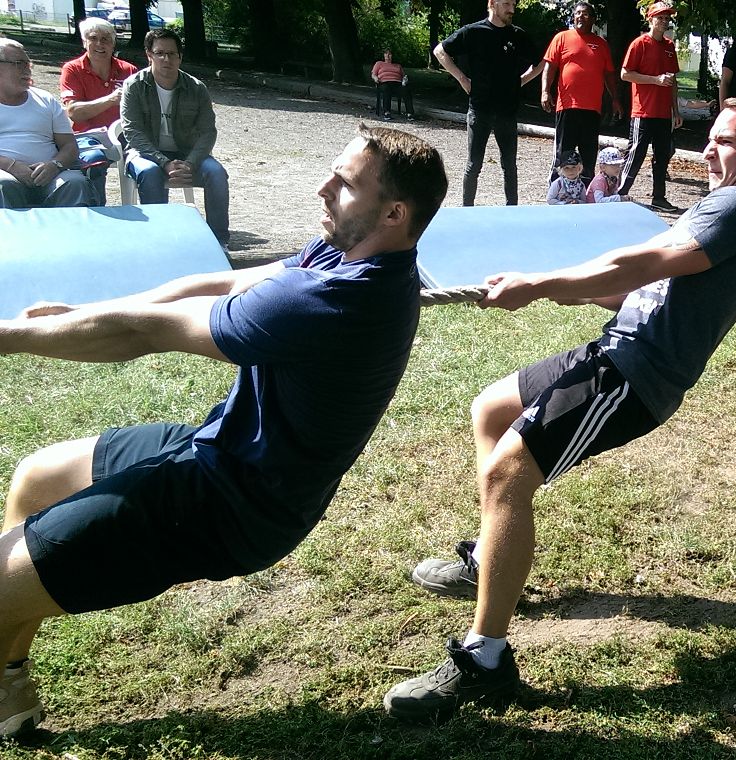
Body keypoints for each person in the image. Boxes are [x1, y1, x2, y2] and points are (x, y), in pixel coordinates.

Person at [0, 125, 448, 738]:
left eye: (344, 184)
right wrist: (80, 312)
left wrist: (8, 337)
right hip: (215, 448)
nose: (322, 188)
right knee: (39, 479)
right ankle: (9, 680)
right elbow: (221, 283)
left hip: (233, 505)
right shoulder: (343, 250)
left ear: (394, 214)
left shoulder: (341, 298)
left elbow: (142, 333)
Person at [382, 97, 736, 724]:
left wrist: (542, 283)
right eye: (710, 137)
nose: (708, 150)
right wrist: (569, 291)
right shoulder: (720, 206)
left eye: (726, 141)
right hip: (613, 349)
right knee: (491, 411)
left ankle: (485, 659)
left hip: (635, 376)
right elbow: (638, 287)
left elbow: (645, 262)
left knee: (508, 472)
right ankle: (491, 557)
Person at [120, 28, 231, 245]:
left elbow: (208, 131)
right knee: (150, 172)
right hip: (145, 154)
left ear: (180, 57)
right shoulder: (134, 86)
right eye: (160, 53)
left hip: (186, 155)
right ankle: (158, 241)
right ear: (149, 55)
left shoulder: (196, 88)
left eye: (172, 54)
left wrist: (190, 163)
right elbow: (132, 131)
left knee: (217, 173)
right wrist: (164, 162)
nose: (166, 59)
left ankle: (219, 242)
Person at [435, 0, 542, 207]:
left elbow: (541, 62)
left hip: (507, 111)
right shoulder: (473, 31)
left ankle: (512, 210)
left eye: (514, 4)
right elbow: (440, 51)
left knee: (509, 165)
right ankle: (467, 210)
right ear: (492, 4)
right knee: (474, 165)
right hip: (479, 109)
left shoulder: (518, 35)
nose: (512, 9)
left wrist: (521, 81)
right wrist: (462, 79)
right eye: (507, 4)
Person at [0, 38, 95, 209]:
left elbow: (69, 146)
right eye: (19, 64)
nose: (27, 70)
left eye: (29, 64)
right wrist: (11, 166)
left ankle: (72, 228)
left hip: (51, 176)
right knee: (3, 184)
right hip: (5, 174)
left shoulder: (45, 100)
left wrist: (54, 165)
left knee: (75, 183)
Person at [58, 17, 138, 205]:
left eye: (106, 39)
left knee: (147, 162)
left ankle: (145, 210)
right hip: (88, 135)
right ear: (84, 42)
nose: (100, 44)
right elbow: (74, 112)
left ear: (113, 43)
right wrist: (111, 100)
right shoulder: (72, 69)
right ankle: (98, 209)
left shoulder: (129, 70)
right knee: (94, 160)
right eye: (93, 38)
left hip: (125, 134)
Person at [541, 1, 622, 184]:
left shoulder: (601, 44)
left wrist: (615, 99)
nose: (580, 17)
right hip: (567, 106)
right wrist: (545, 91)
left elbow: (609, 75)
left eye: (585, 14)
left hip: (592, 109)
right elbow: (550, 67)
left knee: (588, 153)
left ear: (593, 19)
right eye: (577, 13)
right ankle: (558, 188)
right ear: (573, 17)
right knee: (564, 152)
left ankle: (587, 190)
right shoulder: (561, 38)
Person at [616, 1, 682, 212]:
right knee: (636, 153)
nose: (664, 22)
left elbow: (673, 81)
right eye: (660, 18)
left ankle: (659, 198)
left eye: (667, 18)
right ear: (650, 19)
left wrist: (676, 111)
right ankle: (619, 193)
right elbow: (625, 74)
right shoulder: (639, 44)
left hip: (664, 114)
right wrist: (655, 80)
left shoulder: (670, 46)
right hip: (643, 111)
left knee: (662, 156)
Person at [371, 49, 415, 120]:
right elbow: (373, 74)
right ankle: (387, 112)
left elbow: (404, 76)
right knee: (386, 89)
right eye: (386, 53)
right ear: (384, 55)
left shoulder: (398, 66)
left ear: (392, 56)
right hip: (384, 82)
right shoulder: (379, 63)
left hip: (397, 83)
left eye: (389, 54)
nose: (387, 55)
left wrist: (405, 80)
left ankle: (410, 113)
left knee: (406, 90)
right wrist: (375, 78)